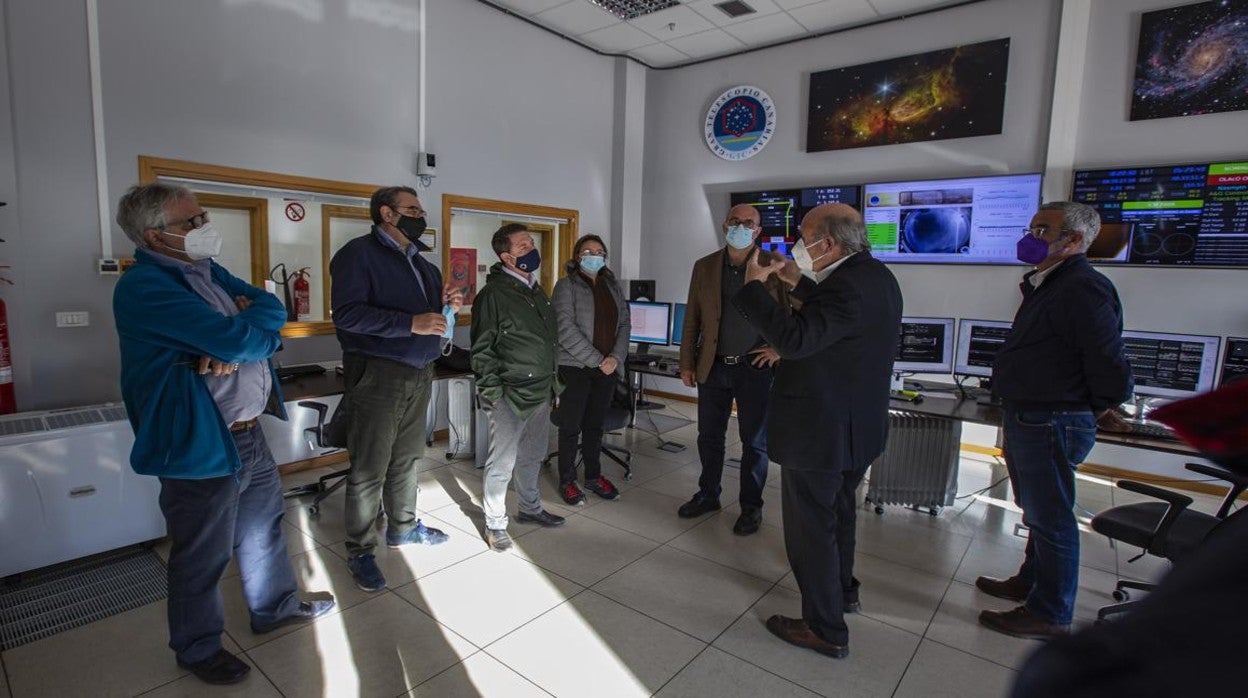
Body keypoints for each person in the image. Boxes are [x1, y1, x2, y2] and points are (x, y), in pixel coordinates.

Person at [113, 183, 333, 685]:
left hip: (248, 432)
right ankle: (197, 647)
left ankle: (273, 607)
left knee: (263, 526)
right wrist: (244, 338)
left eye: (203, 216)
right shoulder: (145, 287)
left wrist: (247, 338)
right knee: (202, 550)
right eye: (191, 222)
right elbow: (241, 333)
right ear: (154, 235)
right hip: (198, 441)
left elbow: (271, 306)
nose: (204, 228)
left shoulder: (206, 270)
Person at [733, 202, 902, 659]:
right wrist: (794, 279)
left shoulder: (846, 288)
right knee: (838, 515)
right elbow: (832, 317)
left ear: (827, 244)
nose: (796, 245)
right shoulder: (874, 277)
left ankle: (824, 628)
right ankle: (843, 592)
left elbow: (796, 340)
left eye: (803, 237)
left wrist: (753, 290)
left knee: (811, 529)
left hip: (821, 431)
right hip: (855, 428)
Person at [976, 201, 1133, 639]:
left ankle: (1050, 612)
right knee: (1038, 511)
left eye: (1043, 230)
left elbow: (1107, 357)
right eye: (1033, 227)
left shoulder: (1083, 287)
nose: (1031, 237)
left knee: (1053, 516)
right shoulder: (1048, 283)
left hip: (1053, 416)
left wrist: (1104, 403)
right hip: (1033, 413)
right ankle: (1031, 582)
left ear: (1075, 241)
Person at [329, 185, 462, 592]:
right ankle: (361, 549)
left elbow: (430, 315)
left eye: (422, 209)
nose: (421, 215)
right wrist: (410, 324)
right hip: (377, 373)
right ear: (386, 214)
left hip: (420, 370)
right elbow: (348, 315)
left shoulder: (423, 264)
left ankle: (402, 528)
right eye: (413, 208)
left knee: (407, 458)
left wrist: (447, 308)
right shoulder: (357, 255)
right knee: (370, 466)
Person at [676, 204, 786, 535]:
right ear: (725, 225)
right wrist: (686, 363)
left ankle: (751, 507)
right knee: (709, 436)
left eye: (748, 223)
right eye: (734, 221)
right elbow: (693, 316)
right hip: (713, 366)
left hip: (755, 367)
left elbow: (794, 312)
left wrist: (781, 348)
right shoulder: (706, 265)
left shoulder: (774, 265)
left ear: (758, 231)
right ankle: (708, 494)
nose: (740, 226)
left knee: (755, 442)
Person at [471, 223, 567, 551]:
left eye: (531, 243)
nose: (531, 249)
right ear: (507, 257)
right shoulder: (493, 296)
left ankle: (529, 508)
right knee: (503, 461)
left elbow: (548, 340)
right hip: (508, 393)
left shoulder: (535, 290)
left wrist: (553, 383)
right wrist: (493, 392)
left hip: (541, 389)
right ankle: (496, 524)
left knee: (533, 454)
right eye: (523, 246)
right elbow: (482, 348)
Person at [551, 234, 630, 505]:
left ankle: (594, 477)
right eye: (588, 251)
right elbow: (564, 329)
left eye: (599, 251)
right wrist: (598, 359)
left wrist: (615, 358)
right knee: (571, 426)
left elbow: (625, 325)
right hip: (575, 367)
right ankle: (568, 480)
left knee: (595, 426)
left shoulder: (613, 286)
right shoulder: (566, 286)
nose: (593, 255)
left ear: (604, 257)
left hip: (607, 369)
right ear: (577, 256)